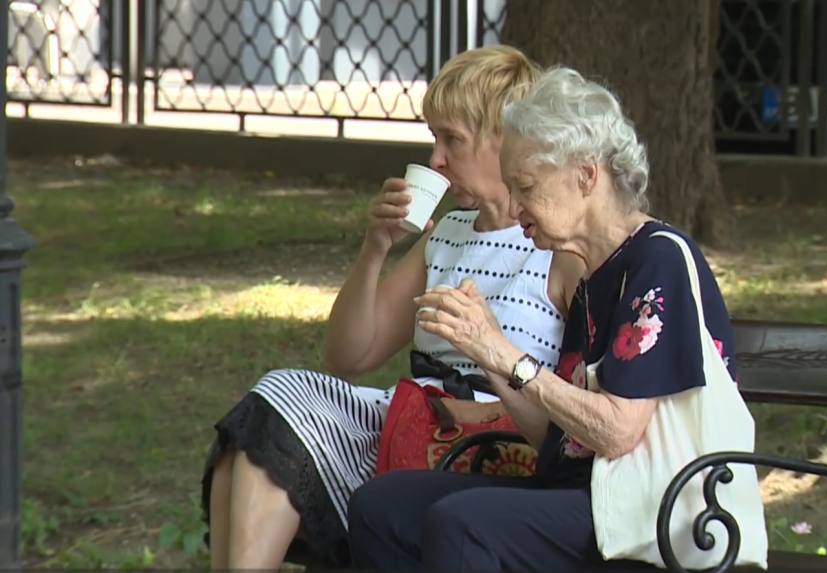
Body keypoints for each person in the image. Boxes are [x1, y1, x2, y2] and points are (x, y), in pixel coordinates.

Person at [198, 46, 585, 571]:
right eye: (434, 139)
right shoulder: (447, 235)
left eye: (452, 139)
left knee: (274, 417)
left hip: (491, 441)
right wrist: (376, 247)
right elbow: (350, 354)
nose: (436, 160)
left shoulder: (558, 249)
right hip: (413, 423)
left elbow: (580, 395)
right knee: (265, 417)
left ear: (505, 138)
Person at [345, 66, 744, 571]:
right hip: (581, 490)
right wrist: (484, 350)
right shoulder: (594, 273)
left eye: (527, 186)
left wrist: (507, 355)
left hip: (658, 510)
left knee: (462, 524)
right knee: (381, 507)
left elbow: (617, 433)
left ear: (586, 174)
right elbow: (556, 442)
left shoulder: (657, 261)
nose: (516, 204)